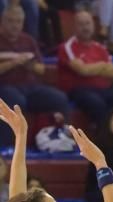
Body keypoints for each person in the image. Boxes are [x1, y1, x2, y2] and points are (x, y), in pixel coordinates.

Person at [0, 4, 70, 147]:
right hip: (6, 86)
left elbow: (41, 69)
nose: (15, 25)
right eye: (11, 21)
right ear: (2, 21)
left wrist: (28, 65)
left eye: (18, 21)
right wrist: (14, 63)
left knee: (60, 99)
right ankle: (10, 147)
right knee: (15, 100)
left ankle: (60, 141)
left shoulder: (29, 41)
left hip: (31, 87)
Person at [56, 8, 113, 126]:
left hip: (104, 89)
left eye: (88, 23)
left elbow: (112, 73)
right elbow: (82, 70)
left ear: (93, 25)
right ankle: (105, 138)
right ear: (74, 27)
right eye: (81, 24)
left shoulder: (100, 48)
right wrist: (101, 66)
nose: (85, 27)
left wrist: (90, 68)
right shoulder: (67, 47)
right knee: (96, 102)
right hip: (79, 90)